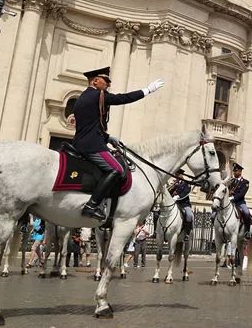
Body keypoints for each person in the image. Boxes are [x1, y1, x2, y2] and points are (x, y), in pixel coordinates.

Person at [73, 66, 164, 220]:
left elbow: (90, 126)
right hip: (91, 146)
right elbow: (122, 98)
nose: (108, 84)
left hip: (84, 141)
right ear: (95, 81)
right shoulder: (97, 96)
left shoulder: (83, 97)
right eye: (106, 81)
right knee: (117, 169)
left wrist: (108, 138)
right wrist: (147, 90)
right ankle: (92, 205)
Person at [228, 163, 251, 239]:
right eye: (234, 171)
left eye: (236, 171)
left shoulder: (245, 182)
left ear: (240, 172)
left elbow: (242, 194)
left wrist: (232, 198)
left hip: (240, 202)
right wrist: (228, 193)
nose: (234, 173)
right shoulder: (231, 181)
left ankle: (247, 231)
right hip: (229, 202)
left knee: (246, 212)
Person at [169, 170, 194, 241]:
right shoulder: (174, 183)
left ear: (181, 175)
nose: (176, 176)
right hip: (174, 203)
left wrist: (177, 196)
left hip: (184, 204)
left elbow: (186, 192)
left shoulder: (186, 183)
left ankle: (187, 233)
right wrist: (172, 187)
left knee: (189, 215)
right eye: (176, 175)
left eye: (177, 175)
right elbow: (169, 192)